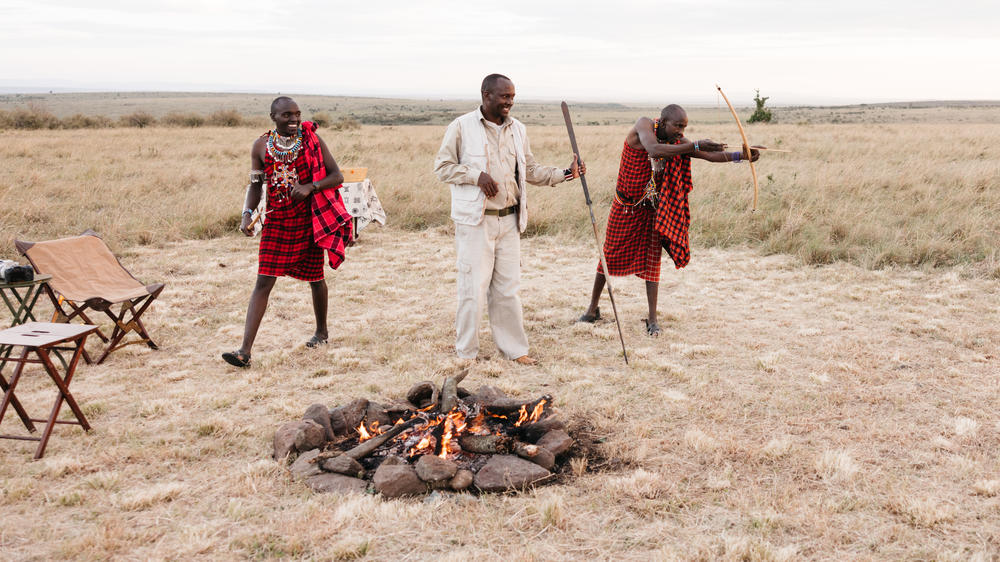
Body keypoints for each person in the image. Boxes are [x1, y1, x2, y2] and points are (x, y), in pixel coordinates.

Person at [434, 74, 584, 366]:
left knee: (508, 290)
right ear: (486, 95)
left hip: (511, 220)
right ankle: (467, 353)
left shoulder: (518, 130)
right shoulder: (462, 127)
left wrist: (565, 174)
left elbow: (529, 169)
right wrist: (476, 176)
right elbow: (442, 167)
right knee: (473, 289)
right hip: (476, 221)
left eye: (512, 96)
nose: (510, 102)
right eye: (504, 96)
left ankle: (515, 350)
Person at [577, 104, 759, 336]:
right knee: (608, 255)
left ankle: (652, 319)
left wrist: (742, 156)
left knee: (653, 260)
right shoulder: (644, 125)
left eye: (684, 126)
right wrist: (693, 145)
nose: (681, 130)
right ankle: (592, 309)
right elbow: (653, 150)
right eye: (678, 126)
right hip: (625, 206)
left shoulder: (678, 141)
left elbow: (707, 155)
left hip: (652, 208)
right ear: (663, 123)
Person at [222, 96, 353, 368]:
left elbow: (336, 175)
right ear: (273, 117)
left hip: (307, 221)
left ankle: (322, 332)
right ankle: (244, 351)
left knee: (316, 279)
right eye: (286, 116)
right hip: (277, 221)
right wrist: (247, 213)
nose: (293, 120)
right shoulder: (261, 145)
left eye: (297, 114)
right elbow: (256, 185)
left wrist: (311, 187)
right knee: (263, 282)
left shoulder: (312, 141)